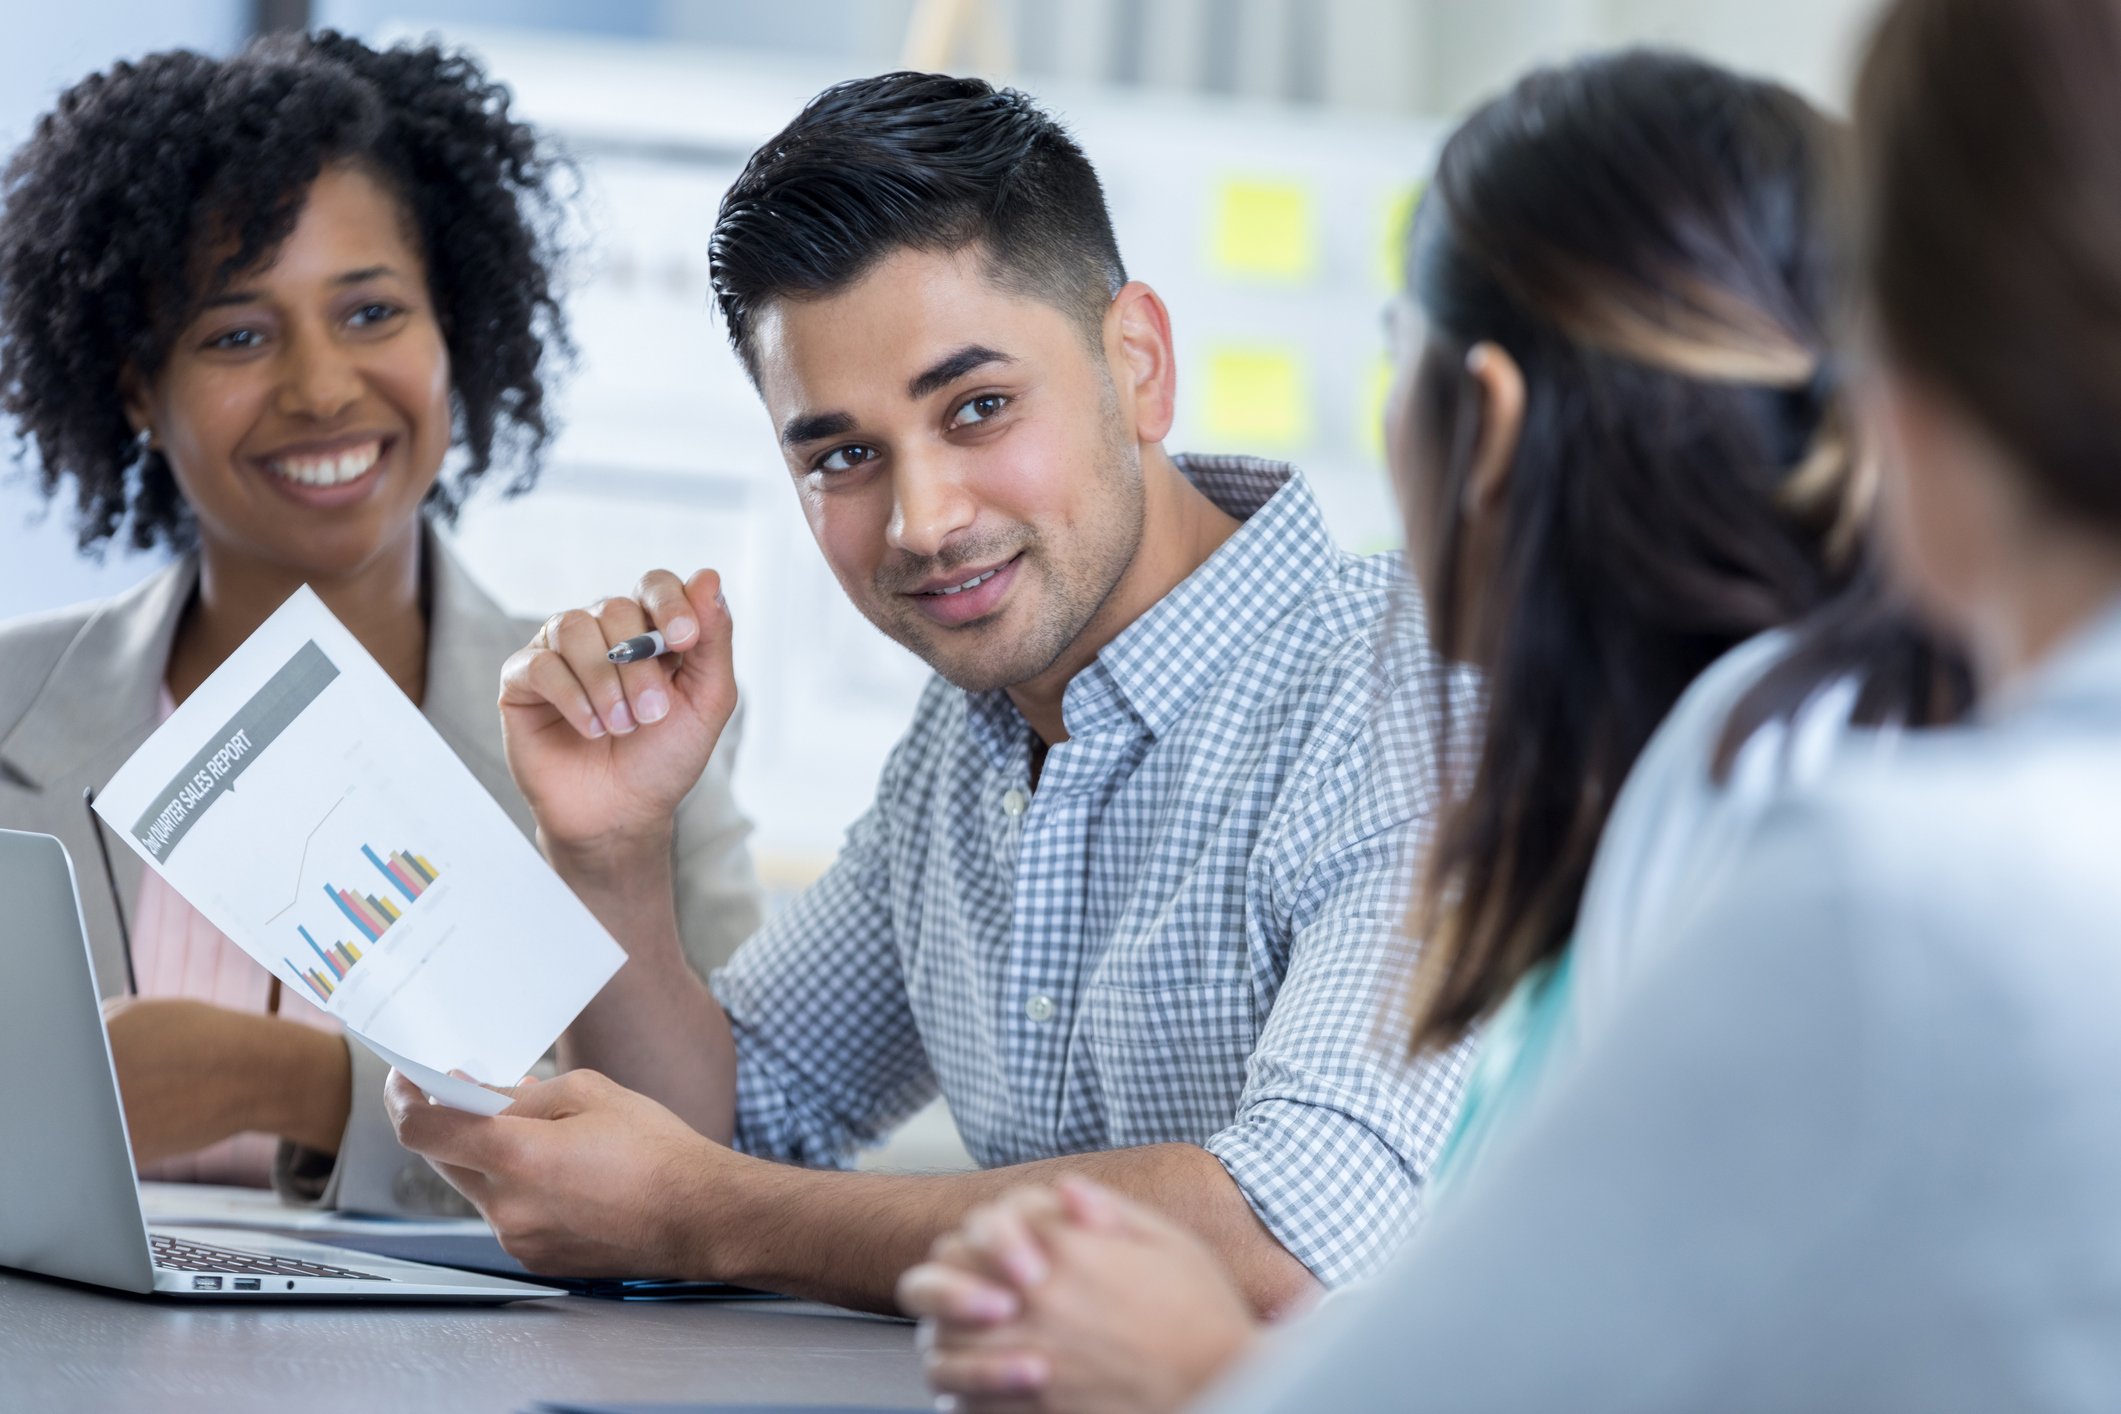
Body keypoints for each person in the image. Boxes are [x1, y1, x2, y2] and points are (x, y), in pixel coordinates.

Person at [932, 1, 2121, 1407]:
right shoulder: (1818, 770)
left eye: (1395, 357)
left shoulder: (1802, 833)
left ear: (1483, 424)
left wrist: (1200, 1370)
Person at [387, 70, 1466, 1315]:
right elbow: (727, 1126)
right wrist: (611, 848)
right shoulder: (974, 735)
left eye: (980, 407)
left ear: (1141, 365)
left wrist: (705, 1211)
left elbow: (1302, 1234)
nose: (921, 522)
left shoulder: (1415, 694)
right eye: (844, 455)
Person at [0, 33, 760, 1215]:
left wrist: (301, 1083)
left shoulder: (624, 727)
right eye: (236, 334)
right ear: (138, 387)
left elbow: (707, 1164)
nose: (320, 388)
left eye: (370, 312)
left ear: (452, 331)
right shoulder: (9, 710)